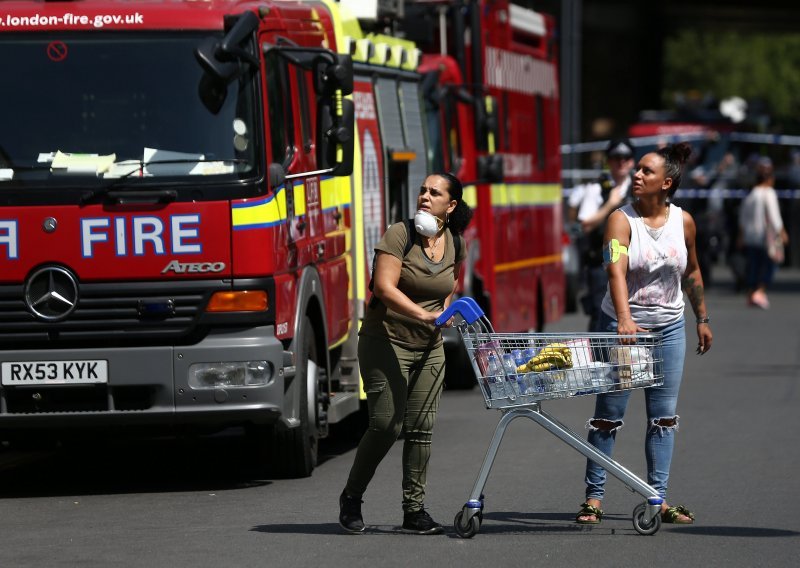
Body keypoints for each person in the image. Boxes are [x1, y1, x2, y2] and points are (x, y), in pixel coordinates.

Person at [575, 142, 713, 526]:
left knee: (663, 418)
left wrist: (701, 317)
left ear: (666, 183)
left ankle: (658, 498)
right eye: (636, 170)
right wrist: (623, 317)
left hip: (669, 328)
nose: (637, 175)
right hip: (624, 328)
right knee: (609, 415)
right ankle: (594, 499)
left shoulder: (683, 221)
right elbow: (614, 270)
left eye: (646, 172)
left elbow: (693, 271)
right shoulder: (621, 220)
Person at [339, 173, 472, 535]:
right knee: (386, 425)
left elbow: (450, 284)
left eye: (435, 192)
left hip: (429, 347)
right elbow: (383, 287)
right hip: (386, 340)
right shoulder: (399, 234)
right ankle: (351, 497)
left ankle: (414, 510)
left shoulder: (456, 243)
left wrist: (443, 314)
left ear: (451, 204)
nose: (425, 197)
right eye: (422, 191)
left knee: (421, 430)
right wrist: (423, 315)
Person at [568, 138, 636, 331]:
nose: (621, 162)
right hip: (602, 265)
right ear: (609, 161)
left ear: (632, 161)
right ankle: (601, 360)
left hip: (634, 263)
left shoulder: (639, 186)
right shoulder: (597, 188)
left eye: (626, 158)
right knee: (602, 317)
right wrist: (610, 204)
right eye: (616, 158)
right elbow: (585, 226)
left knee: (632, 316)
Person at [737, 157, 788, 309]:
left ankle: (752, 293)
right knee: (770, 265)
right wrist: (782, 231)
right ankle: (760, 291)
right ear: (769, 179)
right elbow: (774, 216)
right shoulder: (769, 193)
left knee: (754, 266)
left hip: (751, 237)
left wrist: (741, 235)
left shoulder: (751, 195)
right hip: (766, 237)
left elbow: (743, 218)